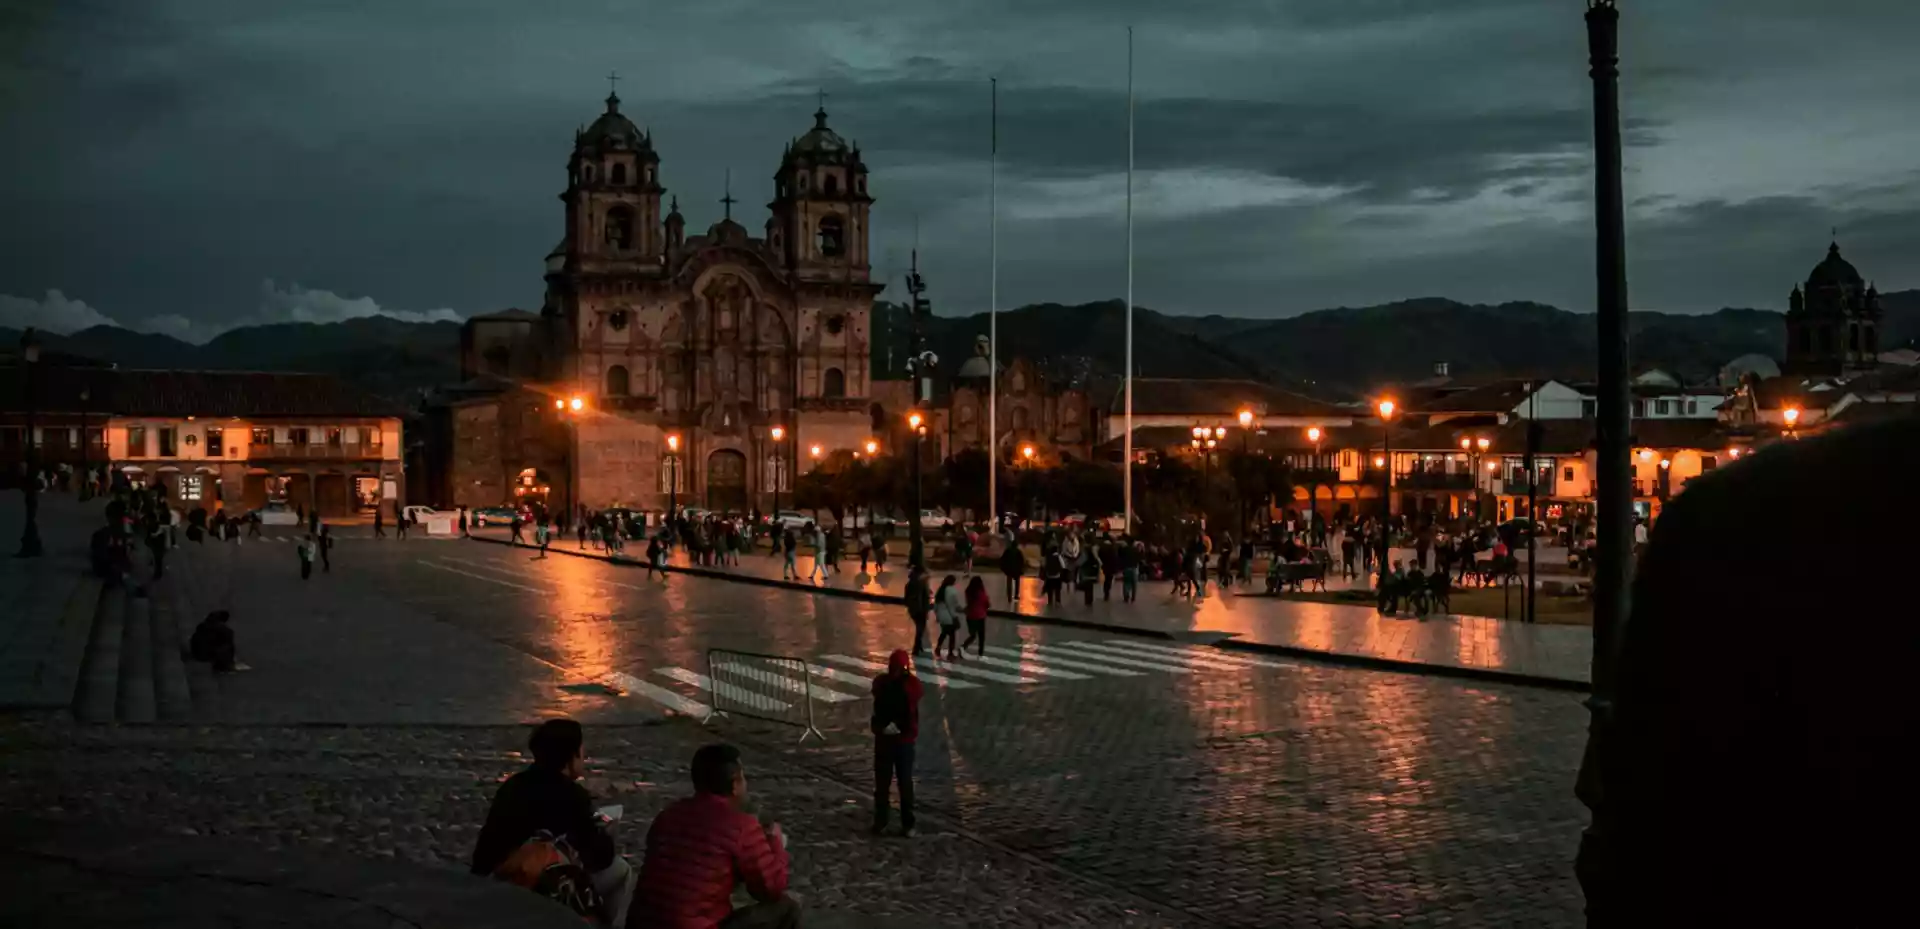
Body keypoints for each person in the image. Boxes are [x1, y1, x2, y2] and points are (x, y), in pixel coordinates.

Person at [472, 719, 634, 928]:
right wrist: (605, 832)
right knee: (621, 871)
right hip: (535, 884)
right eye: (581, 753)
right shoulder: (572, 795)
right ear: (571, 758)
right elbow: (600, 857)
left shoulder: (513, 785)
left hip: (497, 878)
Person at [632, 743, 797, 929]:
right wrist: (775, 842)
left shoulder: (667, 815)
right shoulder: (741, 826)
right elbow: (771, 888)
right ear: (735, 784)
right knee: (786, 908)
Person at [870, 650, 922, 838]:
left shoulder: (881, 683)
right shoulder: (911, 685)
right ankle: (908, 824)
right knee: (905, 783)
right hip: (904, 740)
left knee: (882, 784)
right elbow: (918, 693)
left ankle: (881, 821)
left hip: (883, 739)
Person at [932, 575, 961, 661]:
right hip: (949, 616)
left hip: (942, 616)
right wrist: (955, 616)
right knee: (952, 635)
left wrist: (937, 616)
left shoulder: (940, 590)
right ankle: (950, 653)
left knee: (944, 632)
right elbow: (952, 605)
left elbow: (935, 605)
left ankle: (938, 647)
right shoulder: (951, 591)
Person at [904, 565, 931, 657]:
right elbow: (925, 598)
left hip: (913, 609)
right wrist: (925, 611)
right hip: (920, 609)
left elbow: (906, 598)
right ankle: (916, 648)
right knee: (920, 629)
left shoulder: (910, 583)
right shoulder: (922, 583)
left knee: (919, 628)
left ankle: (919, 646)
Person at [961, 575, 989, 657]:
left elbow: (968, 603)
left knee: (973, 635)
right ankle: (980, 653)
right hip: (980, 616)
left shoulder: (968, 591)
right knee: (981, 636)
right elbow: (986, 604)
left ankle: (963, 646)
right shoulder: (981, 592)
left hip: (970, 616)